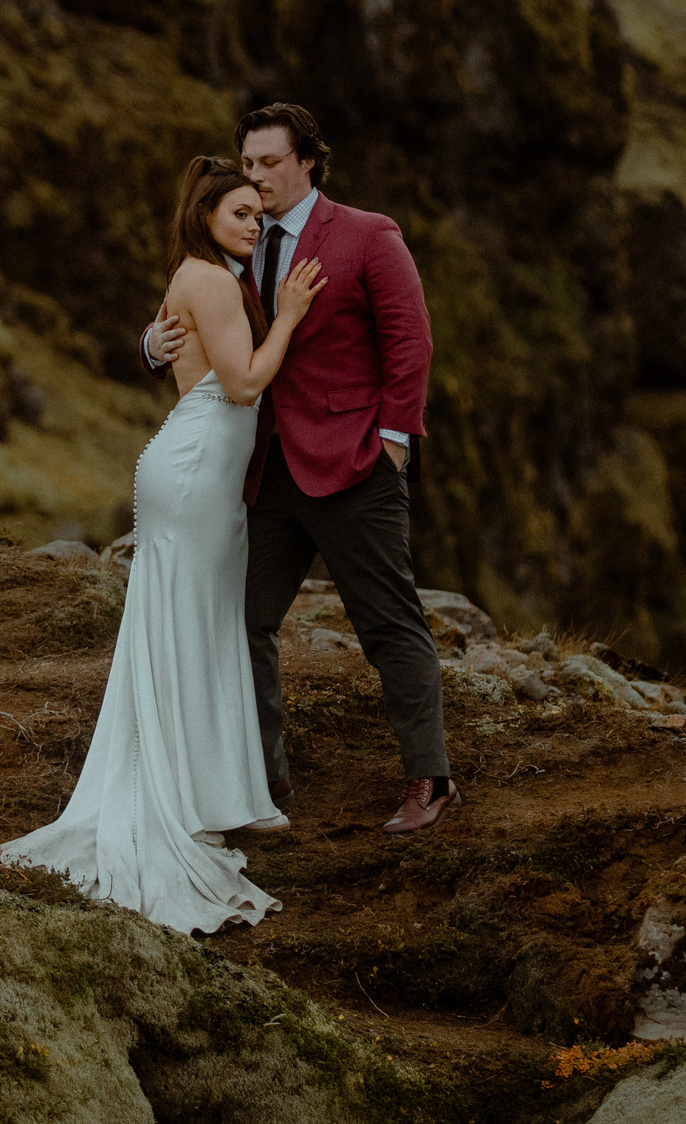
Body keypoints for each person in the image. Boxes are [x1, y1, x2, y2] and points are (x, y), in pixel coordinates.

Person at [1, 156, 325, 933]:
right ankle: (183, 794)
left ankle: (202, 787)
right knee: (191, 623)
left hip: (198, 469)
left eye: (258, 214)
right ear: (207, 213)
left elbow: (174, 347)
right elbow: (243, 383)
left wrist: (155, 343)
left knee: (195, 623)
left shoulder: (198, 273)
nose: (253, 224)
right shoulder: (211, 280)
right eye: (239, 212)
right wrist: (288, 315)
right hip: (196, 471)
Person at [142, 103, 453, 835]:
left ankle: (429, 778)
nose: (255, 177)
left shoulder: (369, 234)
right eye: (247, 163)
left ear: (308, 161)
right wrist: (151, 345)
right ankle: (262, 779)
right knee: (243, 621)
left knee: (388, 623)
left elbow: (410, 342)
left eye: (269, 163)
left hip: (355, 466)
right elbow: (188, 309)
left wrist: (394, 441)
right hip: (263, 472)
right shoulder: (237, 236)